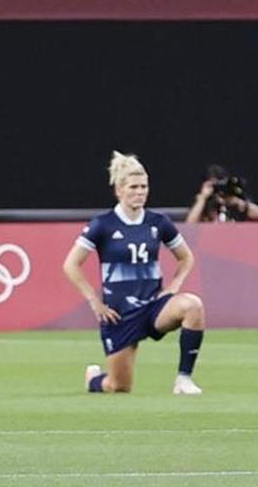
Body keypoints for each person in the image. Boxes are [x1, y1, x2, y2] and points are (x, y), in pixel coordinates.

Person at [62, 151, 207, 395]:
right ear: (119, 190)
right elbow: (70, 264)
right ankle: (94, 379)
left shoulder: (158, 222)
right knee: (119, 386)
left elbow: (186, 257)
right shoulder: (103, 225)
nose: (140, 192)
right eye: (133, 187)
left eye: (144, 186)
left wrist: (173, 287)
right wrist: (94, 301)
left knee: (193, 306)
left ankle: (183, 379)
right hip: (120, 316)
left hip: (153, 308)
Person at [187, 164, 258, 222]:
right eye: (214, 186)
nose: (217, 190)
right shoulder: (203, 203)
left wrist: (238, 202)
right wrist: (202, 198)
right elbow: (190, 225)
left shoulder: (234, 202)